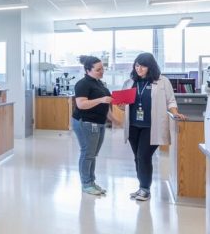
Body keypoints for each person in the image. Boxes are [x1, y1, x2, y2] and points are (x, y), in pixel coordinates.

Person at [120, 52, 183, 202]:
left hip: (151, 126)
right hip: (134, 126)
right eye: (136, 65)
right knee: (137, 158)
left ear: (151, 67)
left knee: (144, 156)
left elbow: (171, 101)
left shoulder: (162, 81)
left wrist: (175, 112)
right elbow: (124, 105)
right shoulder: (129, 82)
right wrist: (122, 106)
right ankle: (142, 186)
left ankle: (145, 189)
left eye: (142, 66)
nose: (139, 68)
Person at [71, 55, 112, 196]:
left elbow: (106, 105)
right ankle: (86, 184)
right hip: (86, 122)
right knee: (87, 153)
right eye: (98, 69)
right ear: (88, 70)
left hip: (99, 123)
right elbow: (81, 104)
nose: (102, 71)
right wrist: (101, 99)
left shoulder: (99, 83)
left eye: (103, 68)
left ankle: (91, 182)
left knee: (93, 154)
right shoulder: (83, 84)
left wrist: (114, 120)